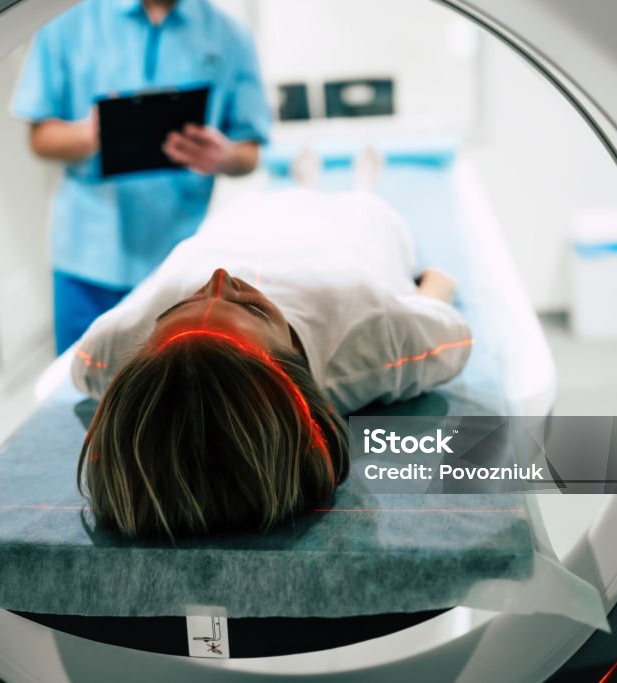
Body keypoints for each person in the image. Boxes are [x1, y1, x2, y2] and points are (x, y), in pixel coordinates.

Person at [72, 190, 473, 538]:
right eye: (250, 307)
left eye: (182, 303)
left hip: (242, 212)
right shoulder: (373, 338)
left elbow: (85, 363)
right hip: (358, 214)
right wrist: (437, 283)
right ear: (294, 365)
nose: (219, 277)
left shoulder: (109, 351)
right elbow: (444, 321)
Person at [11, 0, 271, 353]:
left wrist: (222, 155)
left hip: (181, 262)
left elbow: (249, 152)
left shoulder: (229, 35)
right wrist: (94, 133)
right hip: (88, 256)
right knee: (80, 395)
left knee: (177, 397)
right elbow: (40, 138)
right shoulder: (64, 24)